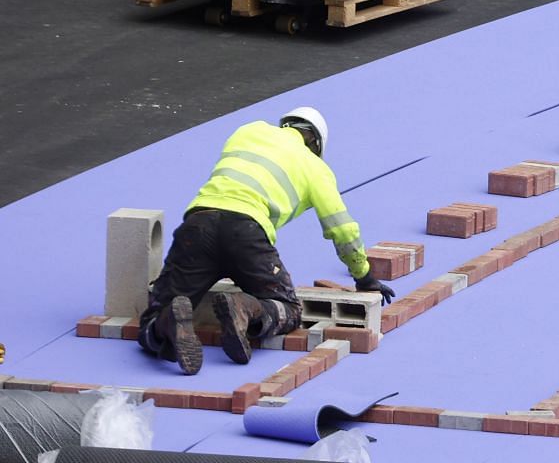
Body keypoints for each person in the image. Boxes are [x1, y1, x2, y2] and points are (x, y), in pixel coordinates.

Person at [138, 108, 393, 374]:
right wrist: (364, 277)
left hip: (198, 225)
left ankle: (165, 321)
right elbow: (342, 229)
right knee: (289, 309)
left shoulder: (248, 131)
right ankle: (245, 309)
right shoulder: (315, 166)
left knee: (153, 316)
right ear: (315, 144)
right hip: (246, 234)